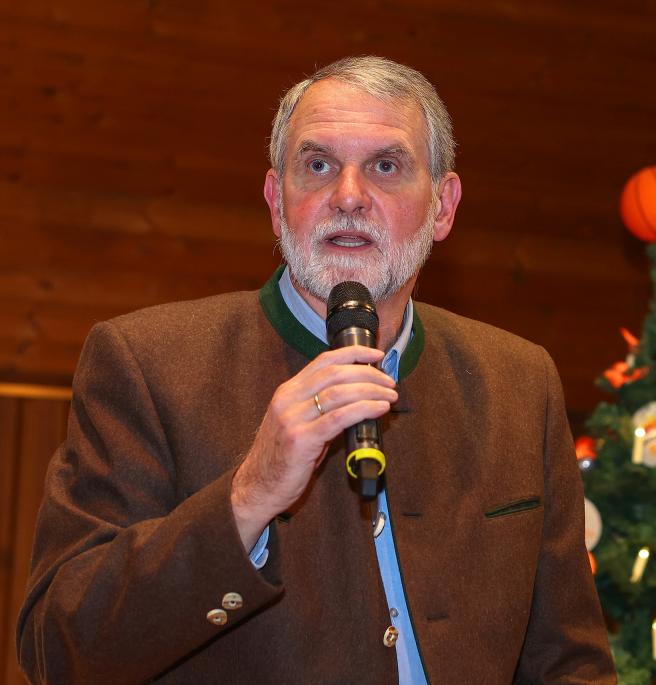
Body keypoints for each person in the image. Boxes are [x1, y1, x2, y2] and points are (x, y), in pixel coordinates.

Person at [17, 56, 615, 684]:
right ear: (277, 202)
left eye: (386, 166)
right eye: (319, 165)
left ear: (443, 207)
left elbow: (569, 663)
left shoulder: (520, 384)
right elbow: (58, 650)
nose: (348, 196)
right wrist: (248, 496)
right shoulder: (147, 363)